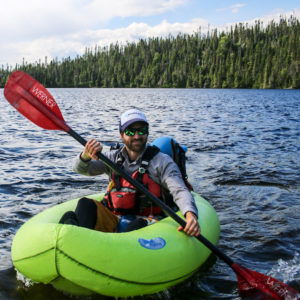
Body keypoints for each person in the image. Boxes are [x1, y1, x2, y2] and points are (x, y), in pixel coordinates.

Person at [60, 109, 200, 237]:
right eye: (131, 131)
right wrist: (85, 156)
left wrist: (190, 214)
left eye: (142, 130)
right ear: (122, 135)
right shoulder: (113, 158)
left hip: (150, 221)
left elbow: (179, 190)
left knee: (135, 226)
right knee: (85, 204)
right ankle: (76, 243)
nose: (137, 136)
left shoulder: (162, 161)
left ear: (147, 132)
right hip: (116, 218)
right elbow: (81, 169)